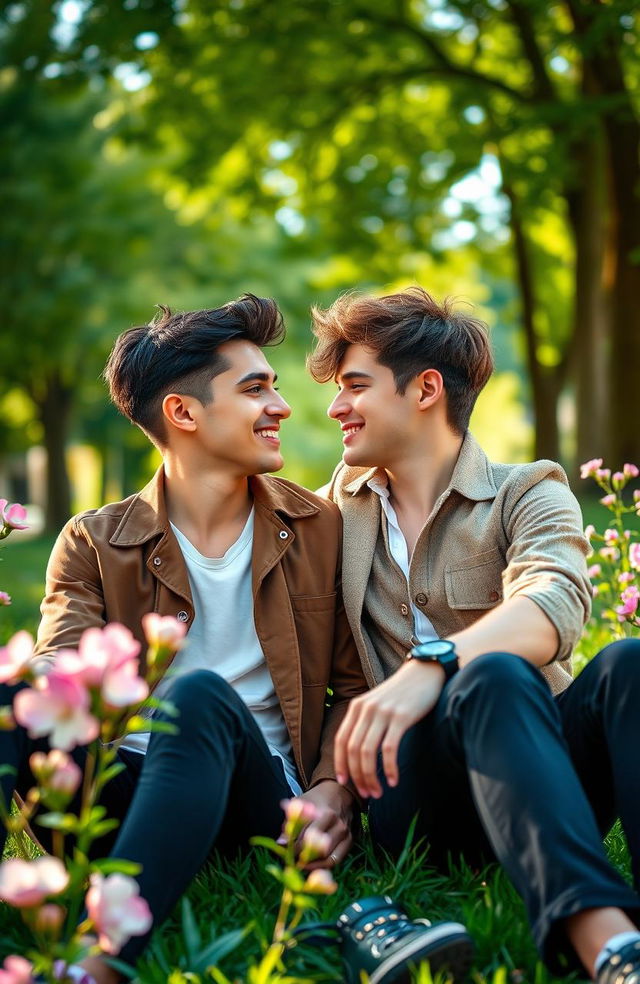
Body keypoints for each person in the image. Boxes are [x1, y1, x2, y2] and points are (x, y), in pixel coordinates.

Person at [0, 296, 369, 984]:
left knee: (197, 695)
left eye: (275, 386)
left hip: (252, 803)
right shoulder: (93, 539)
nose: (281, 407)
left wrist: (328, 790)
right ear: (183, 413)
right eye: (255, 388)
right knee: (8, 691)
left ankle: (98, 966)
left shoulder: (321, 527)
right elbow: (60, 660)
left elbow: (352, 686)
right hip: (116, 793)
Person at [308, 286, 640, 983]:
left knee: (628, 664)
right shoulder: (333, 510)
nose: (336, 407)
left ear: (425, 388)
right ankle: (607, 943)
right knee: (490, 672)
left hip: (540, 766)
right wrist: (330, 782)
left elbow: (556, 597)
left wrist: (433, 661)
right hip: (417, 797)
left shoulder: (528, 489)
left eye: (355, 386)